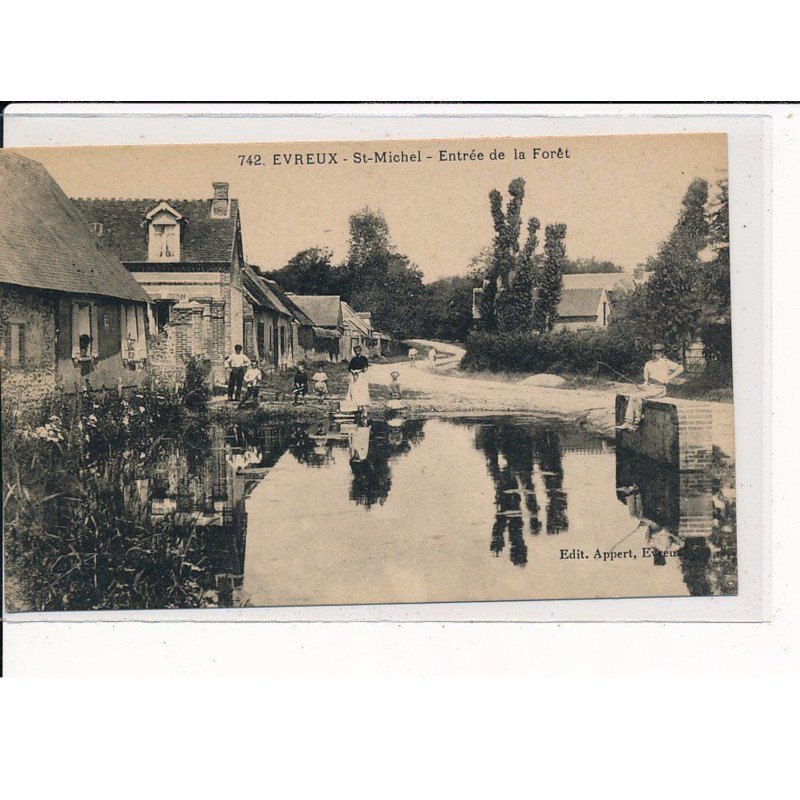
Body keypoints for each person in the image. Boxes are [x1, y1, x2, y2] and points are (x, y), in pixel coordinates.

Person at [617, 343, 684, 431]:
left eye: (658, 353)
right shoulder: (648, 364)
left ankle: (636, 422)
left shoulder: (666, 362)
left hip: (660, 389)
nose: (656, 355)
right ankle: (629, 422)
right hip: (650, 388)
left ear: (662, 353)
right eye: (654, 352)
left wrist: (669, 377)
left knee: (637, 397)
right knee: (633, 397)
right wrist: (643, 386)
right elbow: (646, 381)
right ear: (651, 353)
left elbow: (680, 368)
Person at [341, 345, 371, 413]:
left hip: (361, 375)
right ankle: (355, 402)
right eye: (356, 351)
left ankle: (362, 403)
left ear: (360, 351)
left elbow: (365, 368)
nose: (357, 352)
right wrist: (353, 371)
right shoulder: (353, 359)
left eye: (358, 351)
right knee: (354, 388)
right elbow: (350, 368)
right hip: (353, 374)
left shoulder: (364, 358)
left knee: (362, 389)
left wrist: (359, 371)